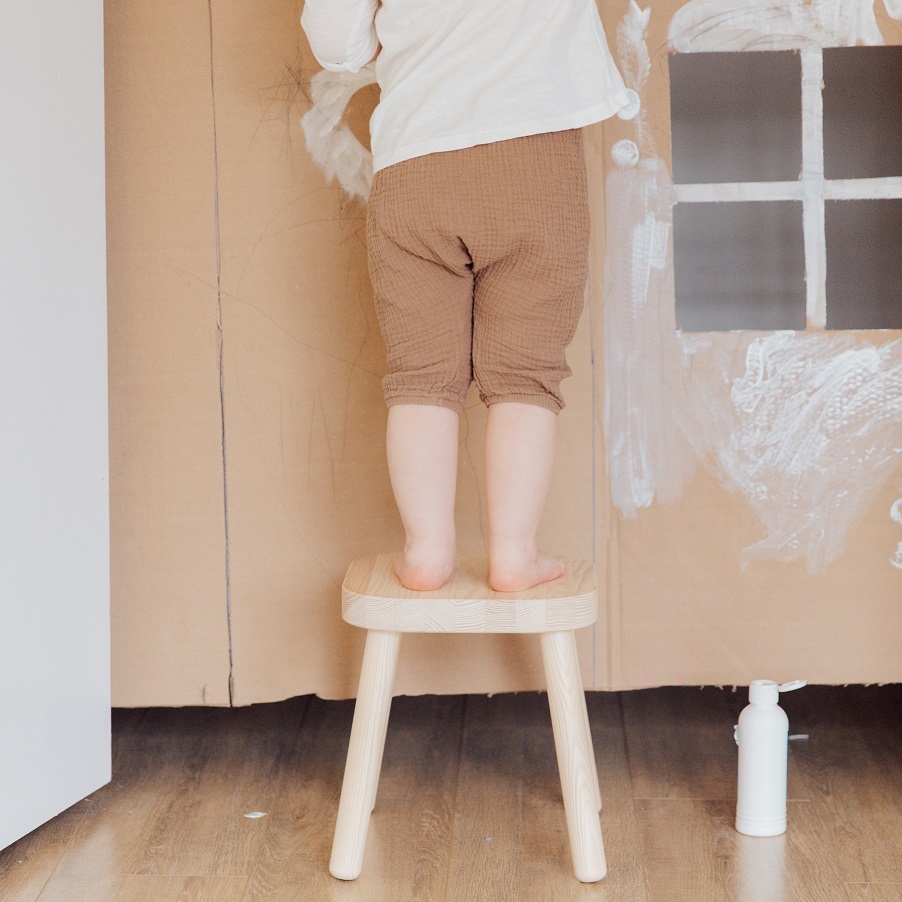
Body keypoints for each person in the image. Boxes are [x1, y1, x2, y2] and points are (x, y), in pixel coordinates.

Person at [302, 0, 628, 592]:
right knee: (525, 378)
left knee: (421, 377)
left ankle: (426, 551)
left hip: (414, 163)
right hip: (536, 160)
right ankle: (514, 553)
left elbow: (334, 41)